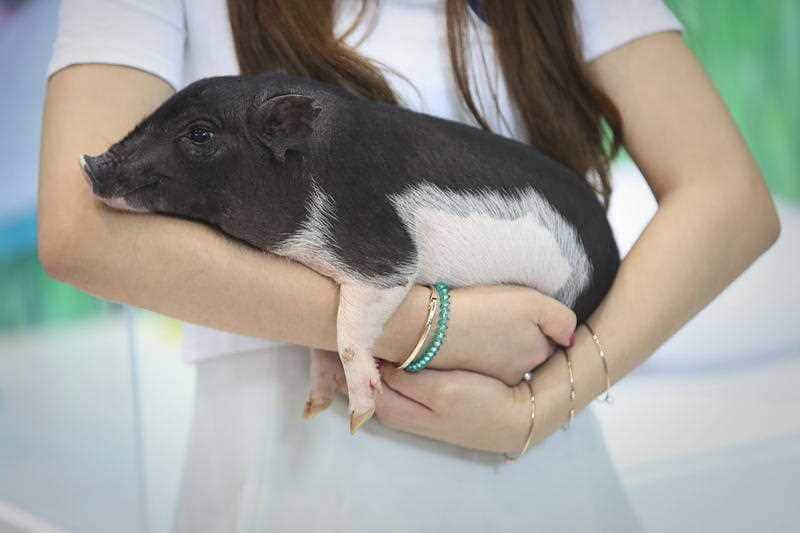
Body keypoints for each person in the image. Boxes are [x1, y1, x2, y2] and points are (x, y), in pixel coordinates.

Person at [38, 0, 780, 531]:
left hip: (541, 481)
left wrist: (539, 407)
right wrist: (441, 328)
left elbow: (728, 196)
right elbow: (80, 228)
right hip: (286, 481)